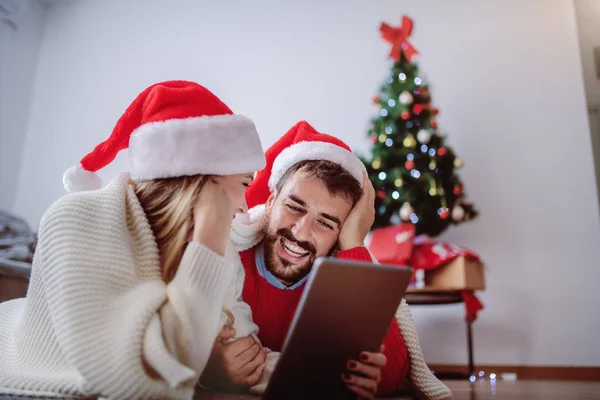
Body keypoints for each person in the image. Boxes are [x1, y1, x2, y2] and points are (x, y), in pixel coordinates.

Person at [0, 80, 266, 400]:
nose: (244, 206)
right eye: (243, 184)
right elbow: (142, 383)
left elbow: (218, 348)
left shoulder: (204, 246)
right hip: (23, 363)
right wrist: (210, 228)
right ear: (204, 180)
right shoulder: (72, 217)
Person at [206, 121, 453, 400]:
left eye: (325, 223)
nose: (300, 232)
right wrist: (207, 368)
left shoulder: (345, 276)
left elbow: (395, 369)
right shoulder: (222, 254)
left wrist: (354, 246)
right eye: (294, 207)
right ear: (272, 200)